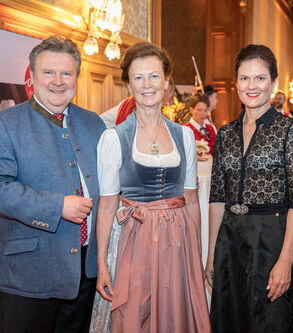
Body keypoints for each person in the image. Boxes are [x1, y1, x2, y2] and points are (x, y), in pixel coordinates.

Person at [0, 36, 106, 333]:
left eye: (67, 73)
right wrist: (57, 206)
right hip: (29, 277)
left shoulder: (94, 123)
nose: (58, 81)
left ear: (77, 78)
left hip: (83, 275)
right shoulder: (3, 123)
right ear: (32, 77)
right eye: (49, 72)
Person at [93, 42, 211, 333]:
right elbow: (107, 207)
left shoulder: (184, 136)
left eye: (154, 76)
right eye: (139, 77)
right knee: (137, 316)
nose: (147, 85)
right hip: (135, 241)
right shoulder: (114, 138)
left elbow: (192, 201)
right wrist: (102, 265)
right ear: (129, 84)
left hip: (178, 242)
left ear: (167, 82)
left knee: (176, 318)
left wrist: (195, 253)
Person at [205, 44, 293, 333]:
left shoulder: (289, 131)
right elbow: (217, 198)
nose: (251, 86)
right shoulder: (225, 133)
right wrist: (211, 255)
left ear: (273, 82)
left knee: (269, 322)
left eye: (260, 78)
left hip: (272, 241)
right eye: (244, 78)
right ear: (236, 84)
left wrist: (286, 261)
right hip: (230, 240)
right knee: (232, 320)